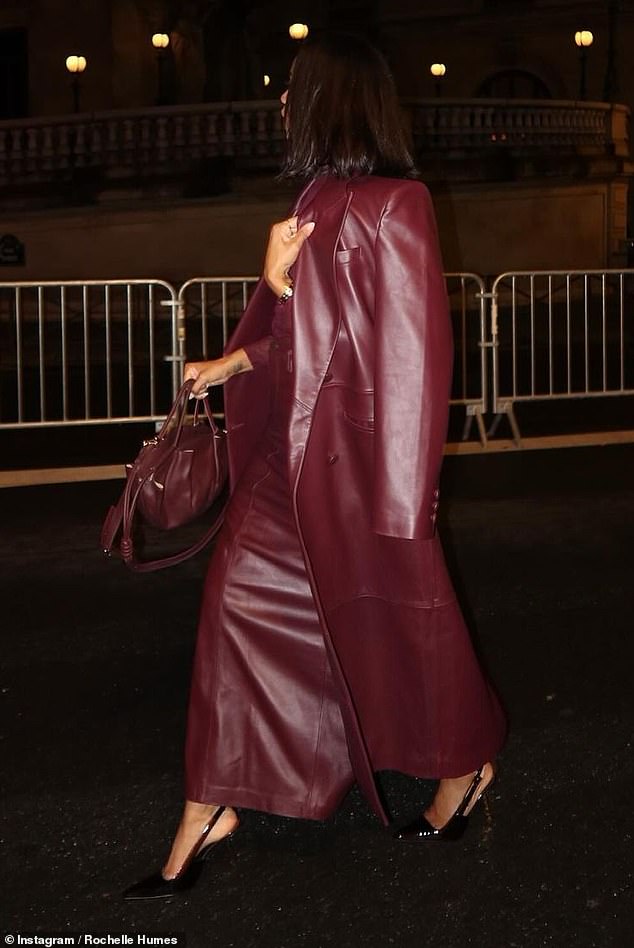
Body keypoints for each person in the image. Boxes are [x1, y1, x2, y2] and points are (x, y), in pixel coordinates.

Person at [123, 32, 506, 901]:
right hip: (281, 466)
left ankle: (465, 764)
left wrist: (405, 506)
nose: (283, 103)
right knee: (234, 614)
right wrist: (232, 360)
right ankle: (207, 806)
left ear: (332, 99)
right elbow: (301, 335)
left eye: (295, 90)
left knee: (413, 626)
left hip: (357, 476)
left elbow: (415, 357)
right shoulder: (313, 198)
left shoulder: (394, 203)